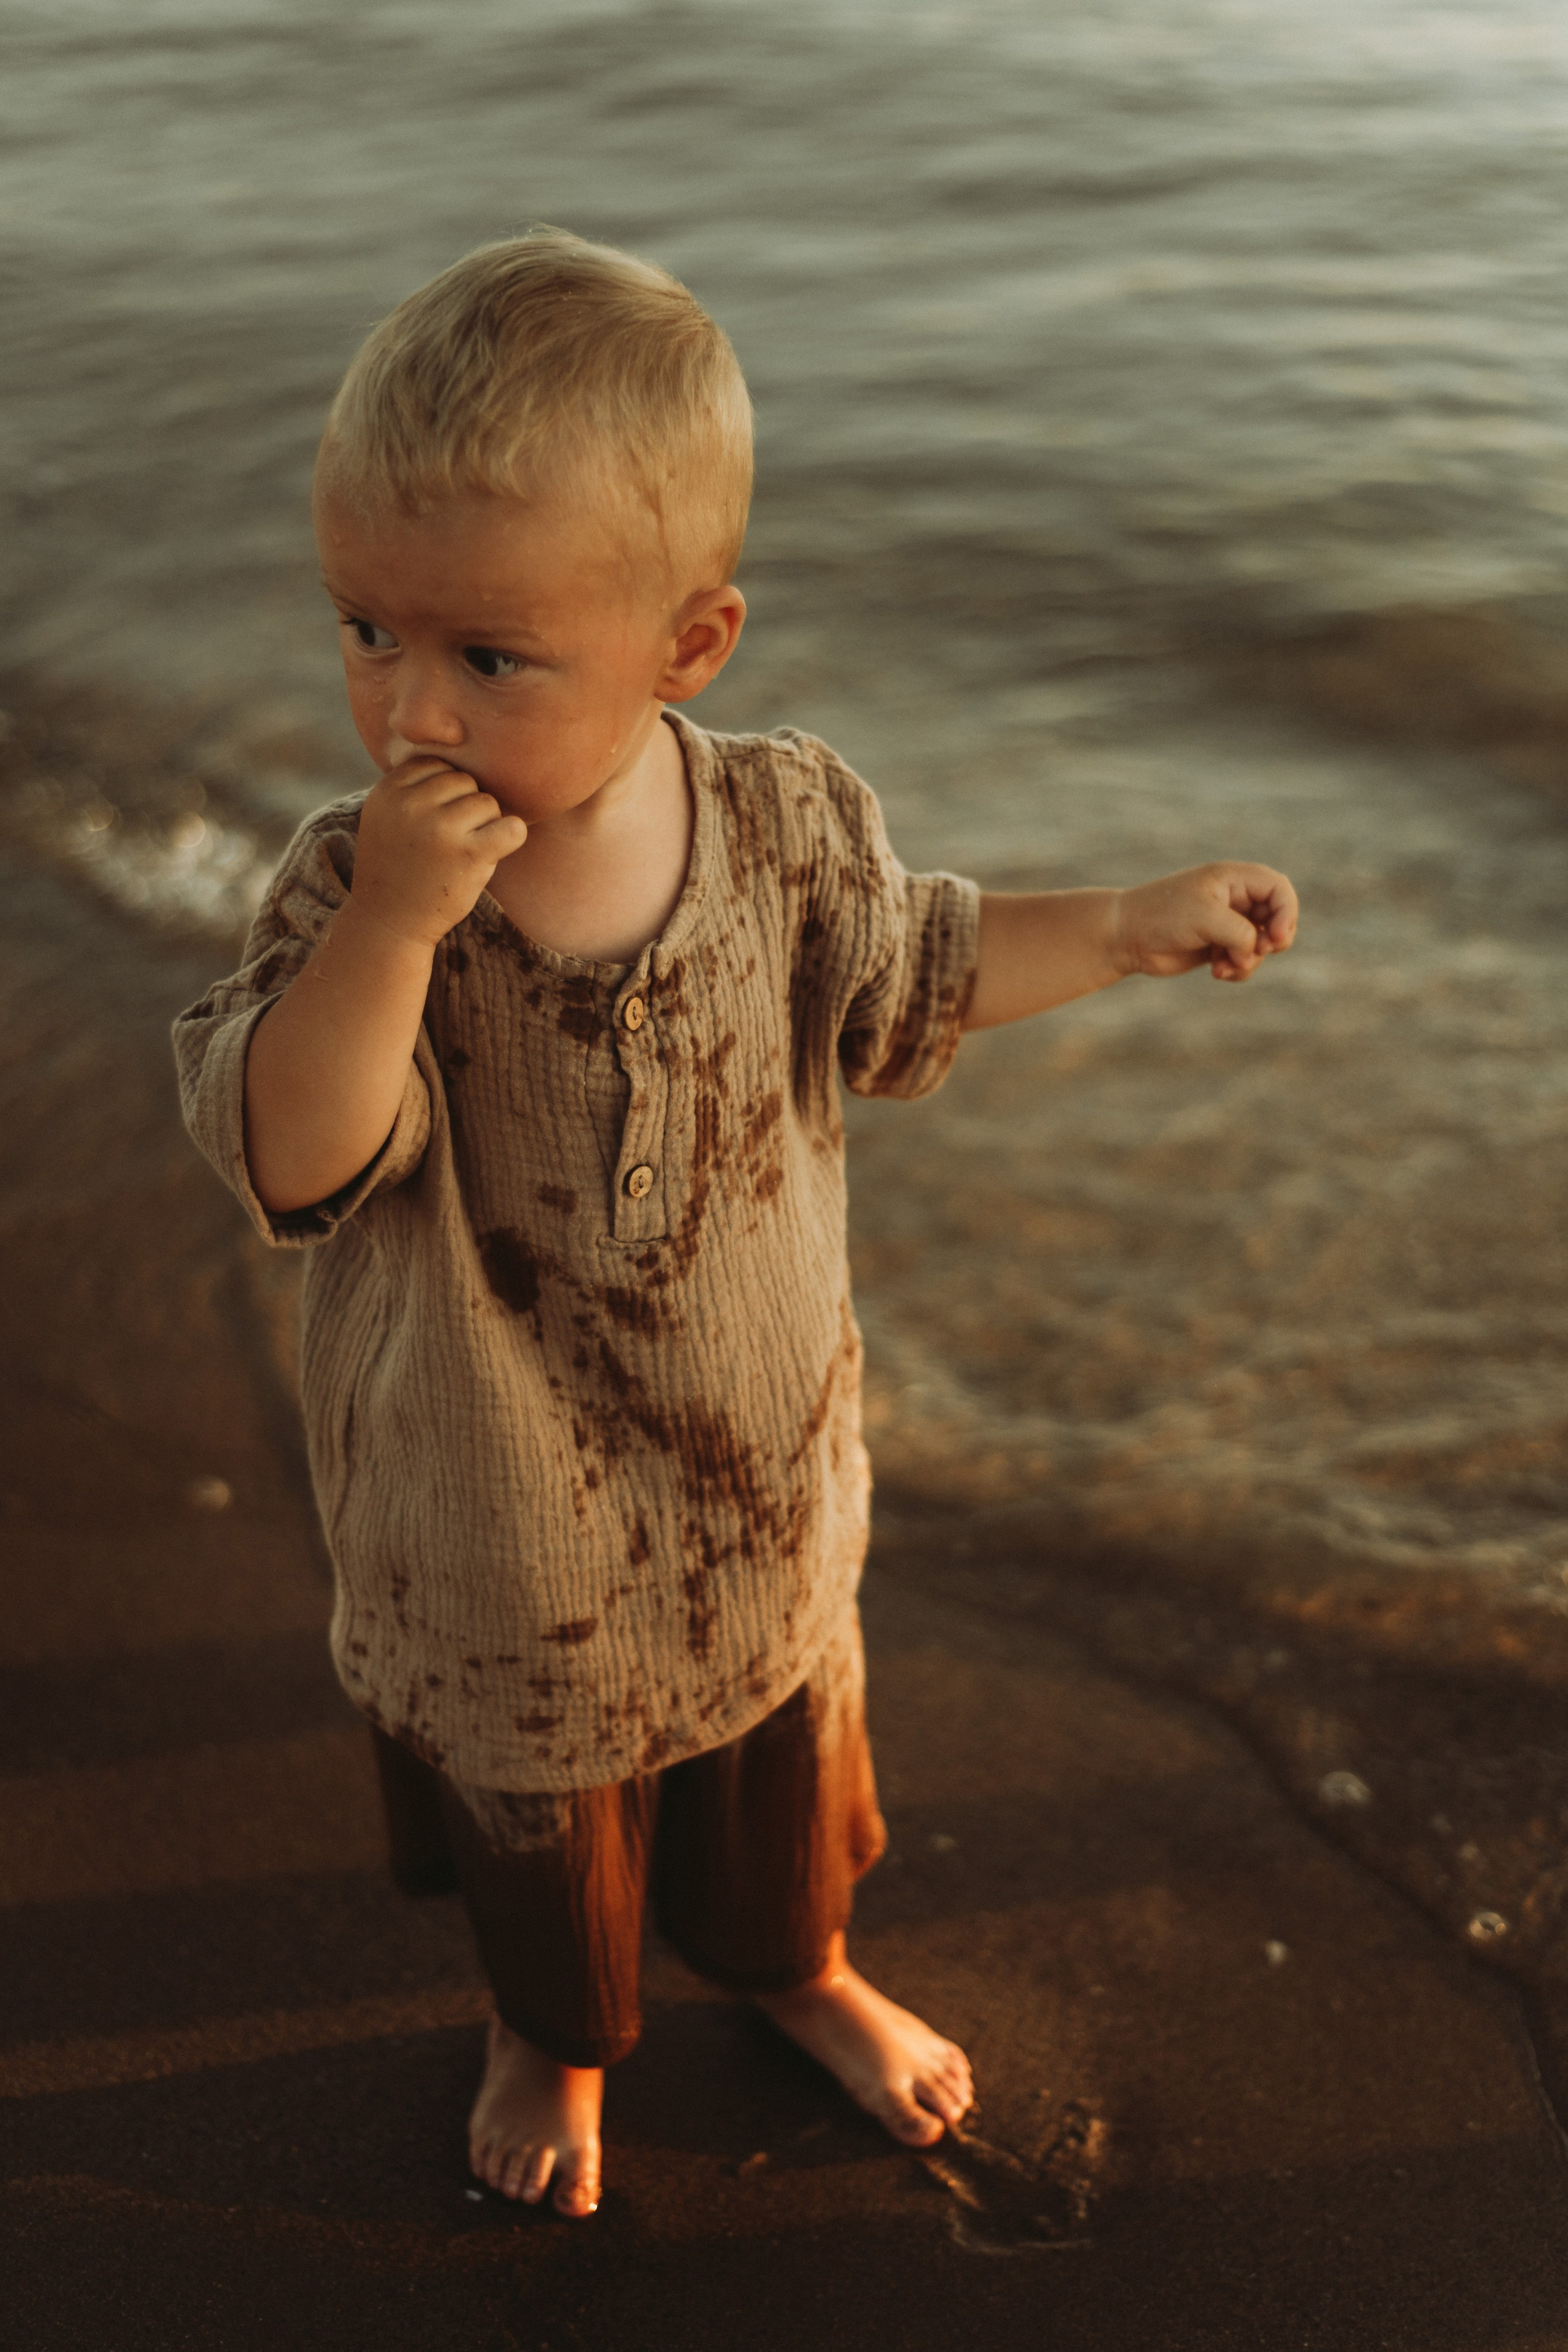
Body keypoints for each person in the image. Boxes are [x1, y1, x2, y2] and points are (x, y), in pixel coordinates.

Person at [173, 227, 1297, 2222]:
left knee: (782, 1806)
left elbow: (921, 969)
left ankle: (802, 1975)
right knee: (550, 1842)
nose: (410, 712)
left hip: (752, 1484)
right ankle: (553, 2032)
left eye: (490, 659)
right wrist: (385, 938)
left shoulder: (780, 829)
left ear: (689, 646)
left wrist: (1121, 926)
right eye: (365, 633)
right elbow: (291, 1154)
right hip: (498, 1520)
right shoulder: (357, 893)